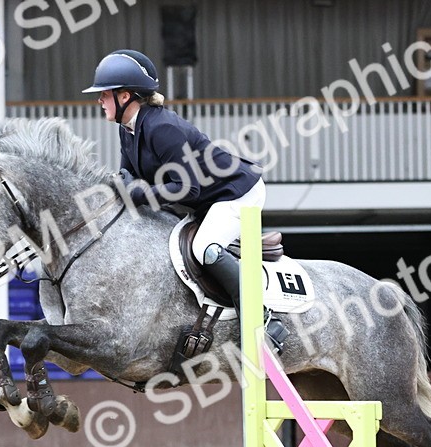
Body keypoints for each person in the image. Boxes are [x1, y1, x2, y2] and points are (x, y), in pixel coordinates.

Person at [83, 49, 286, 349]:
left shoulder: (162, 128)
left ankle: (262, 319)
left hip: (237, 192)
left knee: (205, 248)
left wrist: (138, 192)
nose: (99, 100)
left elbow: (185, 188)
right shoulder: (128, 130)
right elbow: (127, 177)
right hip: (205, 200)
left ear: (124, 96)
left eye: (104, 95)